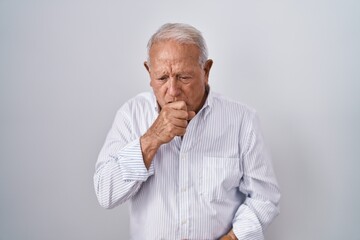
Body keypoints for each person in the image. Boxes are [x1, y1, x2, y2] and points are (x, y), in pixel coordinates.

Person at [94, 23, 280, 240]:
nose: (172, 91)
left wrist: (231, 239)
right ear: (149, 72)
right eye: (162, 78)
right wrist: (152, 138)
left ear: (206, 71)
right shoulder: (131, 115)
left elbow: (264, 197)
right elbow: (106, 194)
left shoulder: (242, 120)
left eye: (184, 77)